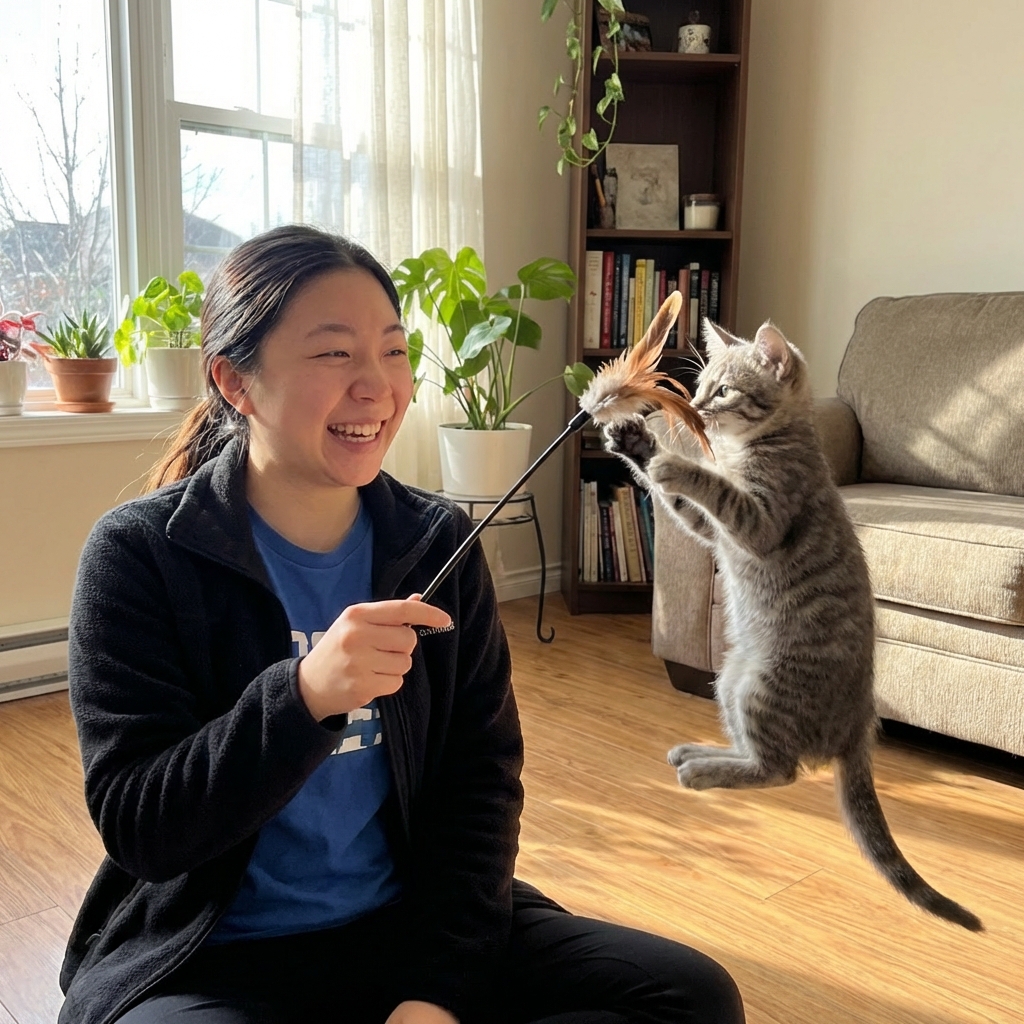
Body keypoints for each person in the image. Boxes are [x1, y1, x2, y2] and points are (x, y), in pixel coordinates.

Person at [58, 224, 746, 1024]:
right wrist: (305, 697)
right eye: (332, 354)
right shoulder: (140, 556)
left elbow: (479, 785)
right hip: (217, 956)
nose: (376, 387)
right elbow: (142, 826)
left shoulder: (433, 544)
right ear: (235, 383)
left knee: (690, 999)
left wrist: (436, 995)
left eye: (391, 351)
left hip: (407, 925)